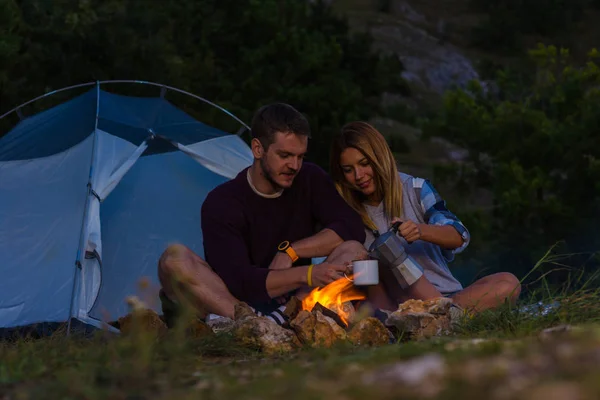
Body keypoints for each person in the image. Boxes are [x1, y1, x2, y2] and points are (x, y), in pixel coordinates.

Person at [156, 103, 368, 327]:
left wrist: (291, 252)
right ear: (258, 149)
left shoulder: (309, 178)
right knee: (174, 259)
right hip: (235, 302)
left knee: (355, 250)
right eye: (285, 155)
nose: (294, 165)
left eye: (300, 156)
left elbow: (351, 226)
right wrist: (307, 274)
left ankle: (286, 318)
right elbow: (238, 280)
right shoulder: (222, 202)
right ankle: (256, 325)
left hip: (293, 301)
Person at [329, 121, 522, 314]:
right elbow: (367, 281)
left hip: (450, 297)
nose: (359, 175)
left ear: (379, 157)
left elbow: (458, 236)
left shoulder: (415, 189)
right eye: (348, 170)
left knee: (508, 283)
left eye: (364, 164)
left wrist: (420, 231)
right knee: (373, 260)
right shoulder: (349, 213)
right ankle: (438, 319)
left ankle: (445, 315)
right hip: (400, 307)